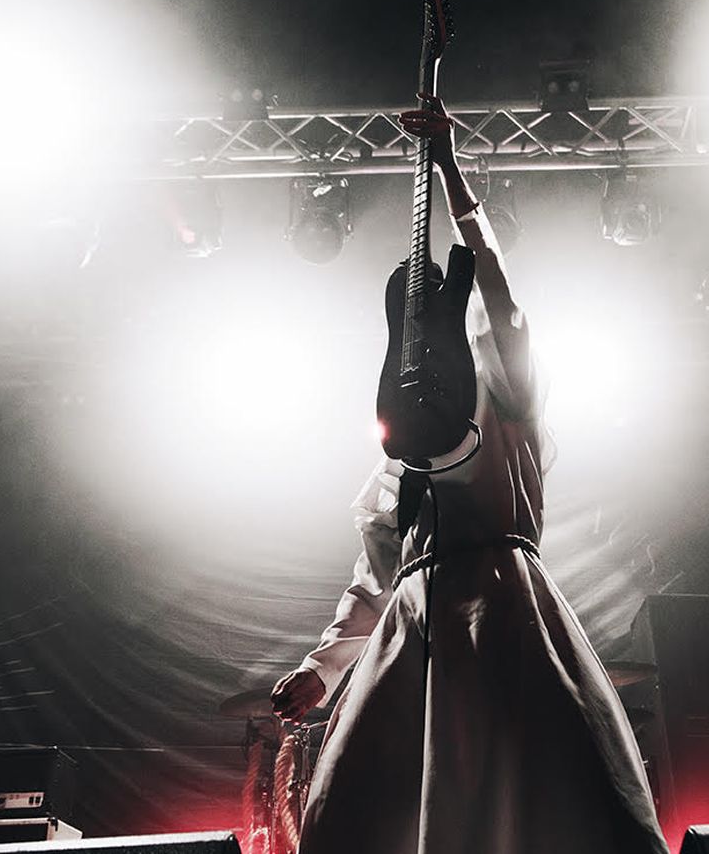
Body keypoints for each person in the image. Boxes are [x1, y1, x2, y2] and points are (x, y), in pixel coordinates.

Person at [269, 95, 668, 854]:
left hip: (501, 610)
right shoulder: (395, 459)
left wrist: (450, 168)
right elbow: (371, 583)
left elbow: (498, 292)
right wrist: (320, 672)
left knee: (534, 797)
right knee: (354, 812)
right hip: (412, 626)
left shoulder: (509, 398)